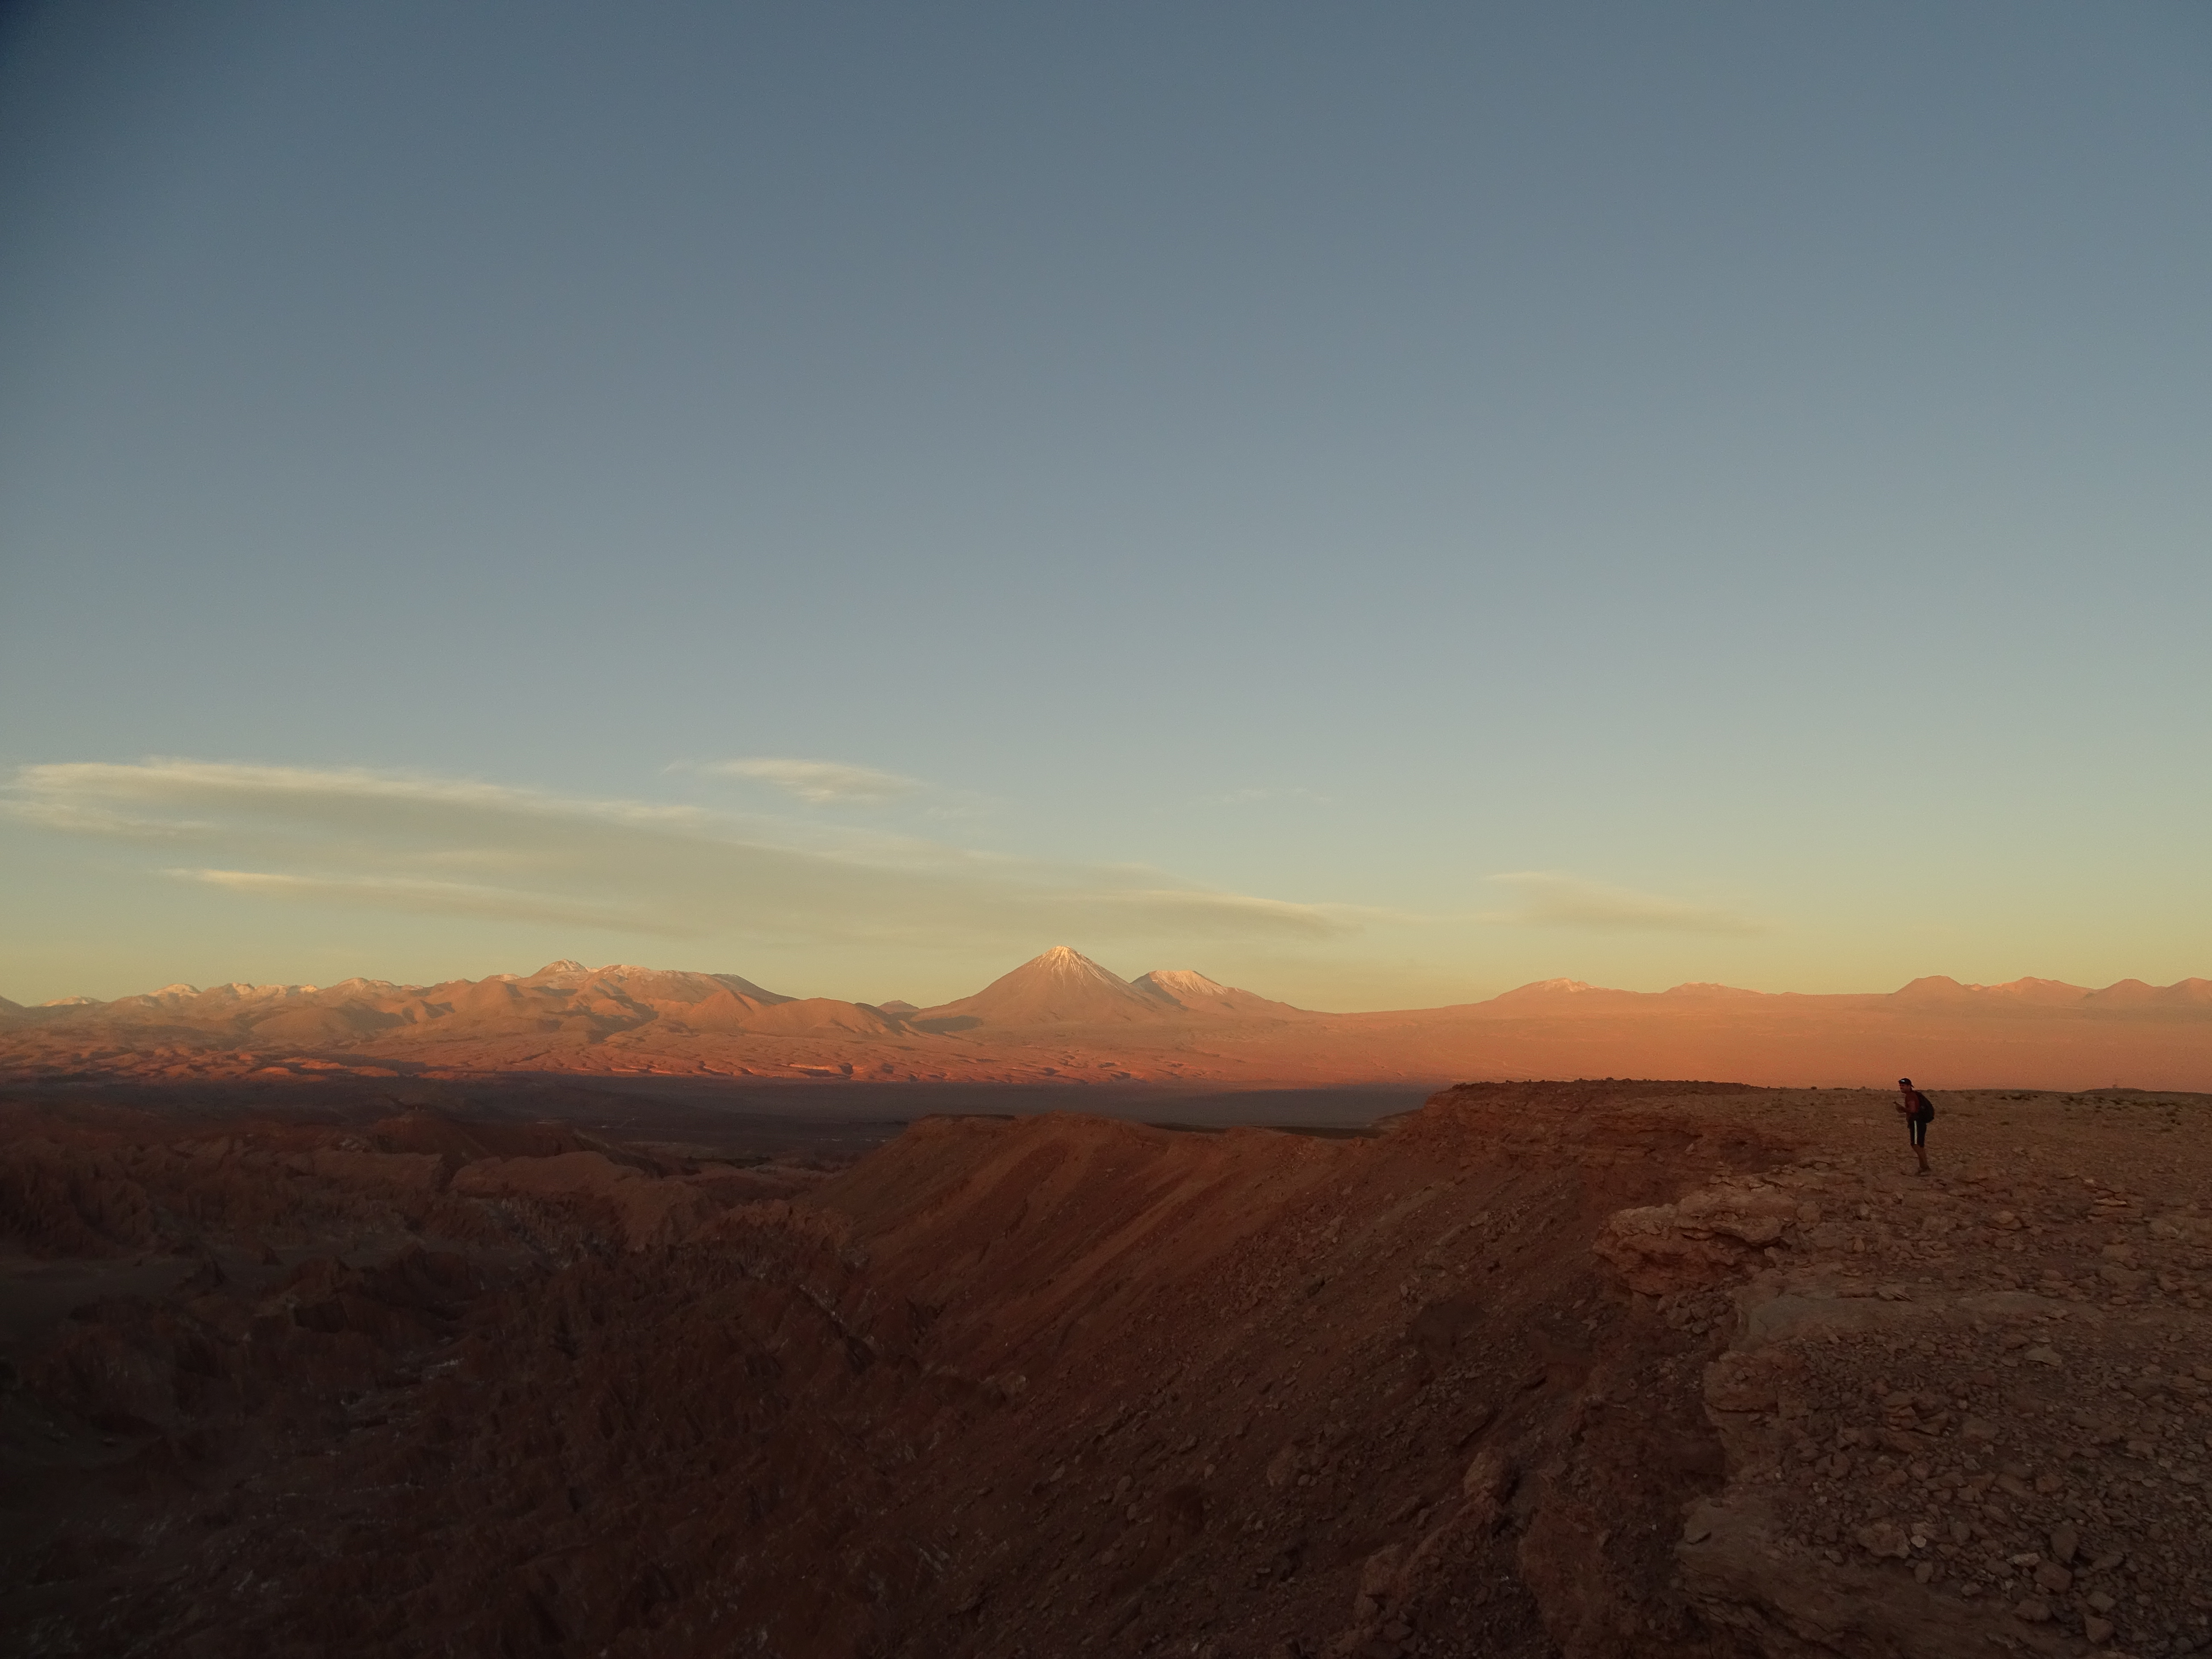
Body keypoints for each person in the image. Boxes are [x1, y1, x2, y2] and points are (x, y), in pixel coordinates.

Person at [1895, 1077, 1934, 1175]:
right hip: (1920, 1122)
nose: (1901, 1088)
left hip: (1916, 1122)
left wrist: (1902, 1109)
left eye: (1904, 1086)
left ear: (1909, 1086)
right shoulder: (1914, 1095)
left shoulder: (1910, 1096)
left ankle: (1925, 1168)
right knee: (1920, 1145)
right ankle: (1924, 1167)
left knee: (1916, 1145)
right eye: (1901, 1086)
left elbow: (1913, 1110)